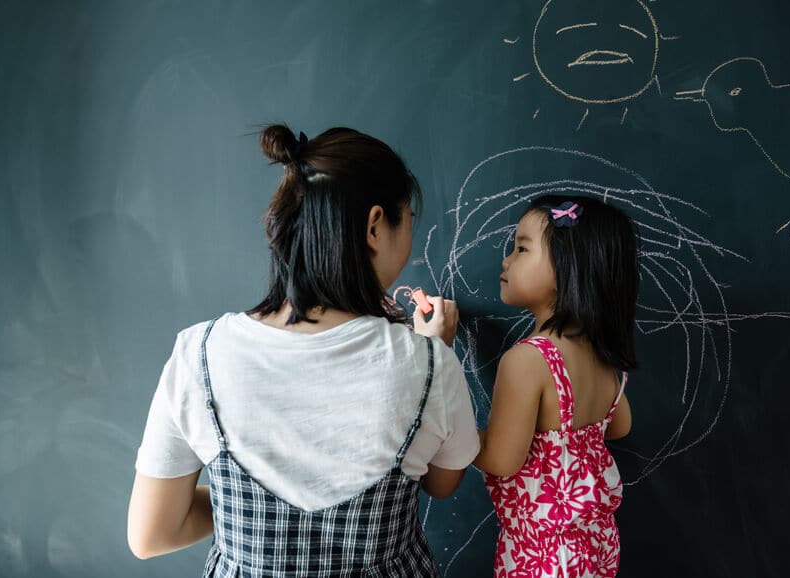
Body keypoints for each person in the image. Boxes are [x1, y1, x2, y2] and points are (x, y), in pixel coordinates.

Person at [127, 124, 480, 577]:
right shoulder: (429, 364)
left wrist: (255, 513)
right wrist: (434, 351)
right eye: (408, 220)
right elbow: (442, 481)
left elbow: (152, 533)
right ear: (375, 226)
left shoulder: (199, 355)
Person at [474, 195, 638, 578]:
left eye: (521, 248)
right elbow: (619, 426)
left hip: (542, 558)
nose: (506, 260)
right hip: (593, 550)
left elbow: (501, 459)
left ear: (567, 268)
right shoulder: (600, 356)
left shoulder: (528, 360)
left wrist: (454, 431)